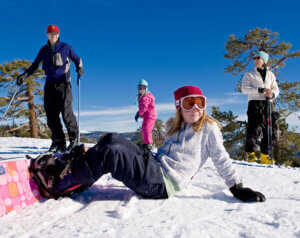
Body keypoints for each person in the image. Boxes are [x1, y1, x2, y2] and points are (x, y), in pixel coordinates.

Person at [30, 85, 266, 203]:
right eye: (189, 103)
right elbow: (166, 154)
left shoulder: (208, 128)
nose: (195, 108)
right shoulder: (174, 126)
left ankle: (57, 184)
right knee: (111, 138)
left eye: (200, 103)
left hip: (164, 184)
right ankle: (78, 172)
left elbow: (221, 158)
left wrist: (237, 187)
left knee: (113, 154)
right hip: (156, 168)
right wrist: (148, 154)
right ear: (179, 107)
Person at [17, 24, 84, 152]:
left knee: (66, 113)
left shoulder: (66, 47)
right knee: (51, 115)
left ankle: (74, 140)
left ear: (58, 35)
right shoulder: (43, 50)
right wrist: (24, 75)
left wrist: (79, 68)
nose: (53, 36)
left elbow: (77, 59)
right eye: (51, 34)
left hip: (64, 84)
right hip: (49, 85)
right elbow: (35, 65)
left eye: (55, 34)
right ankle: (58, 142)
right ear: (47, 35)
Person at [241, 51, 280, 164]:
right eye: (254, 58)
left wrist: (272, 94)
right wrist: (260, 90)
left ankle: (265, 155)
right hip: (255, 103)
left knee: (270, 130)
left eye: (258, 57)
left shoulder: (271, 75)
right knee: (254, 130)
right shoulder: (249, 73)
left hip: (268, 103)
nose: (255, 59)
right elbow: (244, 89)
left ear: (264, 60)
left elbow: (276, 89)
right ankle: (251, 154)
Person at [135, 79, 157, 150]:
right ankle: (146, 143)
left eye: (143, 88)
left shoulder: (146, 97)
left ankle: (149, 144)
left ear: (146, 88)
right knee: (144, 129)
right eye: (139, 87)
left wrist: (139, 113)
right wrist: (139, 113)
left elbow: (144, 107)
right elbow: (142, 107)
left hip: (150, 116)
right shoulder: (142, 96)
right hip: (147, 116)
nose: (141, 89)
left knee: (147, 129)